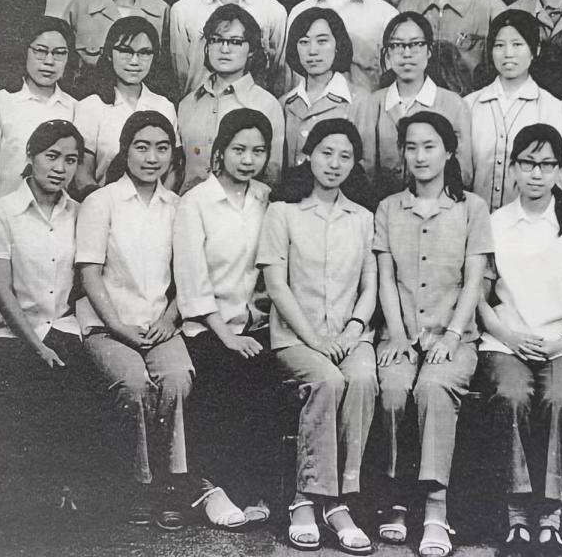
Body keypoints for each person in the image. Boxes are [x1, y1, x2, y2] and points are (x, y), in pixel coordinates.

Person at [374, 111, 493, 557]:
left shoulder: (472, 208)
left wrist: (452, 336)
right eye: (411, 147)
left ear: (448, 151)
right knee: (392, 391)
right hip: (401, 334)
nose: (420, 156)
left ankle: (435, 510)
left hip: (454, 337)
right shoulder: (389, 208)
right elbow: (386, 279)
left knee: (433, 389)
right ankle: (395, 501)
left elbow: (474, 280)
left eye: (429, 146)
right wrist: (398, 335)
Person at [258, 118, 378, 554]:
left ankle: (340, 501)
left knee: (362, 379)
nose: (334, 164)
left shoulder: (362, 217)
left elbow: (370, 285)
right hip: (295, 338)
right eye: (326, 153)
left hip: (349, 335)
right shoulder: (283, 212)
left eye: (345, 156)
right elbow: (276, 285)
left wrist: (354, 328)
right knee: (327, 380)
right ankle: (304, 500)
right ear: (308, 156)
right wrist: (315, 340)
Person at [478, 124, 562, 557]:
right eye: (527, 163)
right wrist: (508, 336)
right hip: (506, 339)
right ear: (512, 168)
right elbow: (480, 297)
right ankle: (517, 519)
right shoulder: (495, 223)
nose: (536, 173)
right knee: (511, 397)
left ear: (561, 171)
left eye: (547, 164)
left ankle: (550, 519)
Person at [75, 111, 192, 531]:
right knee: (134, 383)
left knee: (177, 378)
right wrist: (117, 326)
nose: (151, 157)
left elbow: (187, 275)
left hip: (159, 322)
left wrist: (170, 317)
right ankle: (138, 485)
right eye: (142, 147)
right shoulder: (101, 202)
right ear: (125, 151)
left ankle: (171, 484)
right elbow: (89, 273)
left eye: (162, 148)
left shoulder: (177, 206)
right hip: (107, 325)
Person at [0, 120, 86, 510]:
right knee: (33, 376)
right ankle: (6, 483)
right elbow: (2, 291)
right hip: (4, 330)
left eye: (70, 159)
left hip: (61, 326)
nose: (60, 168)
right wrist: (37, 346)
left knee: (75, 379)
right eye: (51, 156)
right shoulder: (2, 212)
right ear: (31, 156)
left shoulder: (79, 213)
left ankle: (55, 489)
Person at [174, 108, 278, 529]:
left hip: (254, 324)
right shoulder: (195, 202)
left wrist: (255, 320)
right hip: (206, 327)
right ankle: (210, 489)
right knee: (223, 376)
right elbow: (192, 279)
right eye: (238, 149)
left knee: (263, 382)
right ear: (220, 151)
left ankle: (251, 489)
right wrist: (227, 335)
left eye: (258, 151)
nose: (248, 160)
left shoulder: (266, 198)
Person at [0, 17, 77, 247]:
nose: (49, 61)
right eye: (40, 51)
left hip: (58, 233)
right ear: (25, 51)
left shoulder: (75, 107)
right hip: (5, 229)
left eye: (59, 53)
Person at [353, 11, 472, 201]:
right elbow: (364, 171)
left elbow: (463, 173)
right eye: (397, 45)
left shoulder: (454, 105)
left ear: (429, 51)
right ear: (387, 54)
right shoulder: (372, 104)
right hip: (383, 209)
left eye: (416, 44)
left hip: (438, 208)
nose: (406, 54)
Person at [465, 10, 562, 211]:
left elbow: (559, 176)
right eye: (499, 45)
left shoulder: (550, 107)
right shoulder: (469, 104)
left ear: (535, 50)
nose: (508, 53)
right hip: (474, 220)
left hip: (528, 221)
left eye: (517, 44)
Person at [177, 4, 284, 192]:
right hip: (189, 205)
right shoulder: (188, 103)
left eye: (235, 42)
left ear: (251, 50)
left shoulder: (267, 105)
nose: (224, 49)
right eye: (216, 40)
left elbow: (271, 175)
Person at [73, 16, 177, 195]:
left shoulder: (164, 106)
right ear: (109, 53)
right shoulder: (91, 106)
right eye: (125, 51)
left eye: (144, 53)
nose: (135, 61)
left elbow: (173, 170)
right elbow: (82, 173)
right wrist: (105, 205)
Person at [280, 7, 367, 170]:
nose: (312, 51)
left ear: (338, 45)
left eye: (322, 41)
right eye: (304, 42)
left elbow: (366, 166)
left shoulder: (360, 101)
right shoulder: (285, 103)